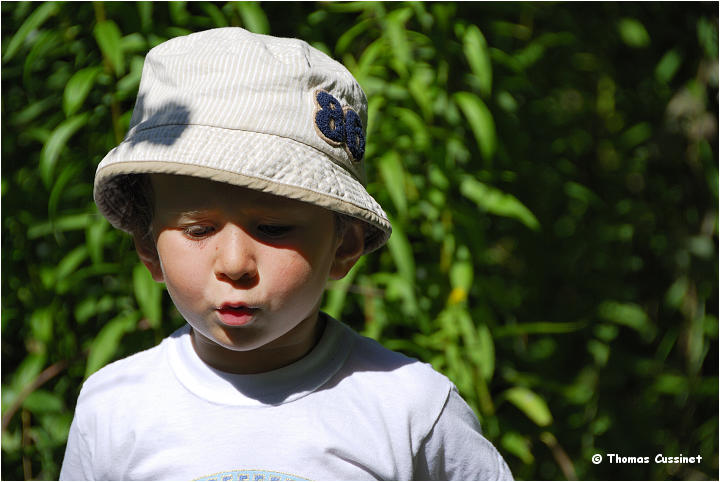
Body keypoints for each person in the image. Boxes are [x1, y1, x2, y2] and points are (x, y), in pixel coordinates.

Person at [60, 27, 513, 481]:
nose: (235, 264)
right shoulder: (113, 409)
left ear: (345, 245)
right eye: (199, 230)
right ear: (148, 248)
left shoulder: (412, 411)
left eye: (273, 228)